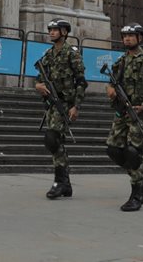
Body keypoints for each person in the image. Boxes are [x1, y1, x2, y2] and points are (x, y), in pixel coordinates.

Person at [104, 23, 143, 212]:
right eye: (124, 36)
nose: (127, 39)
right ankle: (142, 179)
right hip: (122, 111)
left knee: (133, 152)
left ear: (140, 38)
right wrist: (111, 90)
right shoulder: (120, 61)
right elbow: (111, 83)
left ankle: (137, 193)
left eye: (131, 35)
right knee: (113, 149)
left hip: (140, 112)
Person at [33, 18, 86, 200]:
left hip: (65, 103)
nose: (51, 33)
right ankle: (66, 184)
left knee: (52, 138)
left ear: (64, 32)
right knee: (56, 141)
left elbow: (81, 82)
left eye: (55, 30)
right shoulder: (48, 54)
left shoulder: (72, 53)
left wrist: (76, 106)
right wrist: (38, 86)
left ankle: (59, 182)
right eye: (50, 30)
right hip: (51, 103)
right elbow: (40, 77)